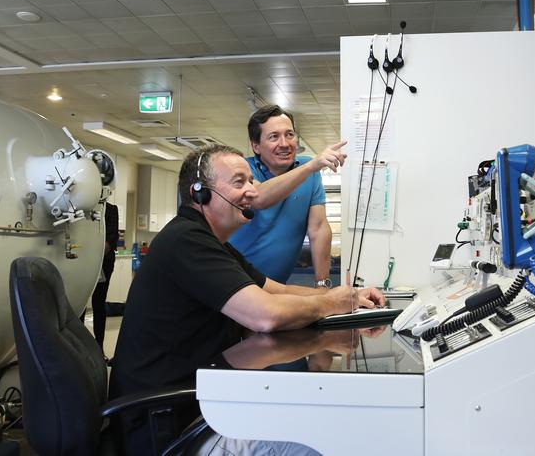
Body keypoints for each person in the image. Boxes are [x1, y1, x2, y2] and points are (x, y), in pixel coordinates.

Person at [109, 144, 384, 455]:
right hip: (173, 425)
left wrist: (346, 296)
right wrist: (334, 303)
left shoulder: (212, 243)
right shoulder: (186, 241)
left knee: (313, 421)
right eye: (239, 183)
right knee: (318, 445)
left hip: (202, 405)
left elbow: (272, 289)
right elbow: (266, 315)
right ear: (199, 193)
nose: (252, 191)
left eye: (251, 181)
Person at [230, 105, 344, 287]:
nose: (284, 144)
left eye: (289, 134)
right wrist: (309, 167)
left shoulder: (309, 171)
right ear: (256, 146)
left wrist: (322, 285)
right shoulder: (242, 168)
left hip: (275, 285)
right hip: (234, 282)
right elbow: (258, 198)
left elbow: (319, 228)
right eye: (274, 137)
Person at [92, 201, 118, 349]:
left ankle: (99, 344)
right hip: (86, 260)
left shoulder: (111, 210)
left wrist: (95, 257)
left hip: (104, 262)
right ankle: (80, 345)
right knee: (81, 304)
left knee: (98, 303)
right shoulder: (86, 208)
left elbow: (111, 238)